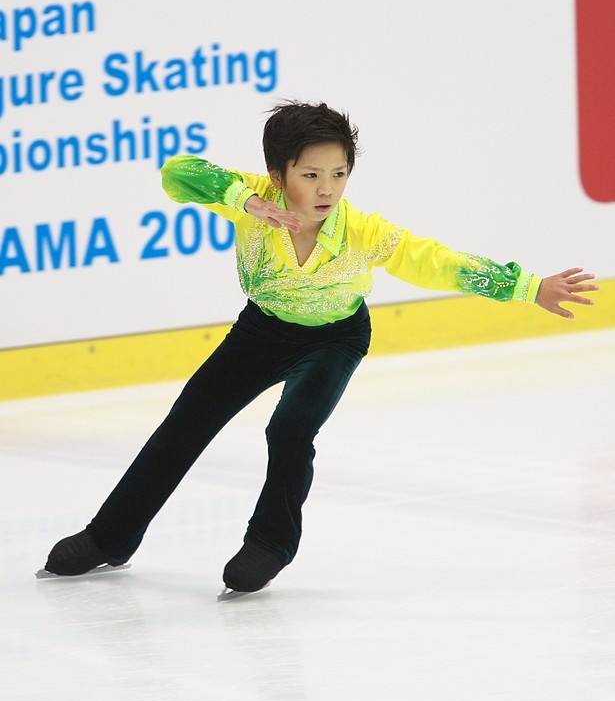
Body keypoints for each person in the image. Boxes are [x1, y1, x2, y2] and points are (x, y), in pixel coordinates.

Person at [42, 101, 598, 592]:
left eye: (339, 173)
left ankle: (270, 544)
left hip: (335, 339)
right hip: (261, 330)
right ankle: (109, 538)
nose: (327, 188)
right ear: (278, 175)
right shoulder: (251, 199)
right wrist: (244, 200)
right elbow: (176, 172)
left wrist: (527, 287)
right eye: (310, 174)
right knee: (185, 423)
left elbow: (438, 262)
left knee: (289, 429)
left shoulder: (365, 232)